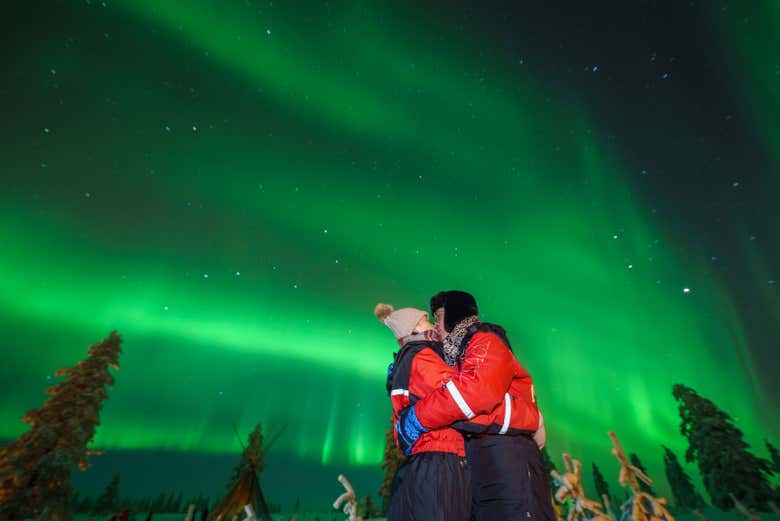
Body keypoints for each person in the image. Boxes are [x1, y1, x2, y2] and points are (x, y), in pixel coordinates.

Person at [396, 290, 555, 521]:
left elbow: (471, 396)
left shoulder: (485, 338)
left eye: (439, 317)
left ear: (454, 316)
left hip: (509, 459)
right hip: (485, 462)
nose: (436, 326)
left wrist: (416, 418)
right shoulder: (455, 353)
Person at [377, 302, 471, 521]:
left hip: (431, 457)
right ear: (415, 328)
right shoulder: (423, 356)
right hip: (441, 457)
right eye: (427, 320)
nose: (434, 326)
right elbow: (456, 396)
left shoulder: (410, 357)